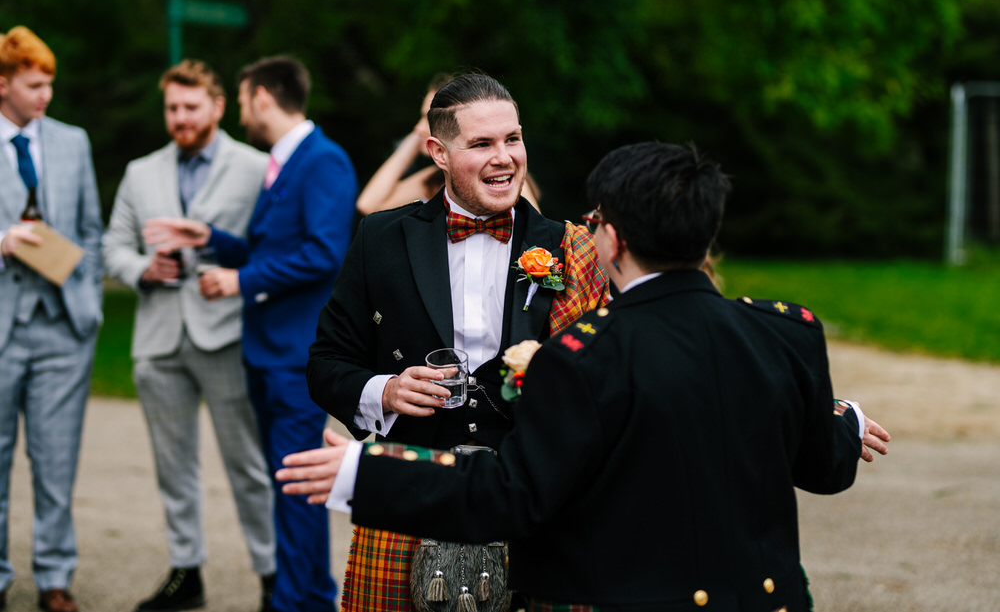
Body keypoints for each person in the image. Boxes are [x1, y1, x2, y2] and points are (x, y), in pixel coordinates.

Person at [279, 141, 893, 612]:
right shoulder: (787, 334)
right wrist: (847, 421)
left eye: (596, 222)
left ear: (614, 241)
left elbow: (514, 491)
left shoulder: (583, 357)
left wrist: (365, 473)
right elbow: (823, 464)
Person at [305, 72, 610, 611]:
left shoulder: (566, 247)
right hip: (409, 483)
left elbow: (607, 379)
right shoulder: (381, 238)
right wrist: (385, 390)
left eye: (512, 139)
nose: (504, 157)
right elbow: (327, 362)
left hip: (534, 492)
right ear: (438, 152)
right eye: (482, 144)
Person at [143, 55, 358, 612]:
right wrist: (211, 236)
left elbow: (323, 253)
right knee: (292, 488)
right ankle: (311, 597)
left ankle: (293, 603)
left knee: (293, 489)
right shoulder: (283, 161)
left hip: (293, 355)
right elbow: (275, 248)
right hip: (266, 352)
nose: (241, 112)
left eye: (241, 100)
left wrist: (241, 280)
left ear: (263, 97)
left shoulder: (323, 161)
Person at [102, 59, 276, 612]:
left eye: (190, 107)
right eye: (172, 108)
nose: (180, 117)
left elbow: (269, 249)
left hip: (225, 334)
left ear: (218, 107)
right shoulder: (140, 171)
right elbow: (113, 248)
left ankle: (273, 574)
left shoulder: (255, 166)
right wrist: (140, 270)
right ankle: (186, 573)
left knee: (246, 463)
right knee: (172, 465)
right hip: (157, 338)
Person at [0, 26, 103, 612]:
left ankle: (55, 578)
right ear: (3, 85)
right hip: (2, 325)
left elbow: (90, 227)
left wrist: (87, 301)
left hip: (64, 327)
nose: (46, 95)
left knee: (57, 459)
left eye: (51, 84)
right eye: (34, 85)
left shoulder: (72, 141)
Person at [355, 73, 541, 215]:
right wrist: (418, 137)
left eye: (427, 118)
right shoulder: (435, 179)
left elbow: (537, 236)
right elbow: (369, 205)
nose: (418, 127)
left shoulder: (504, 173)